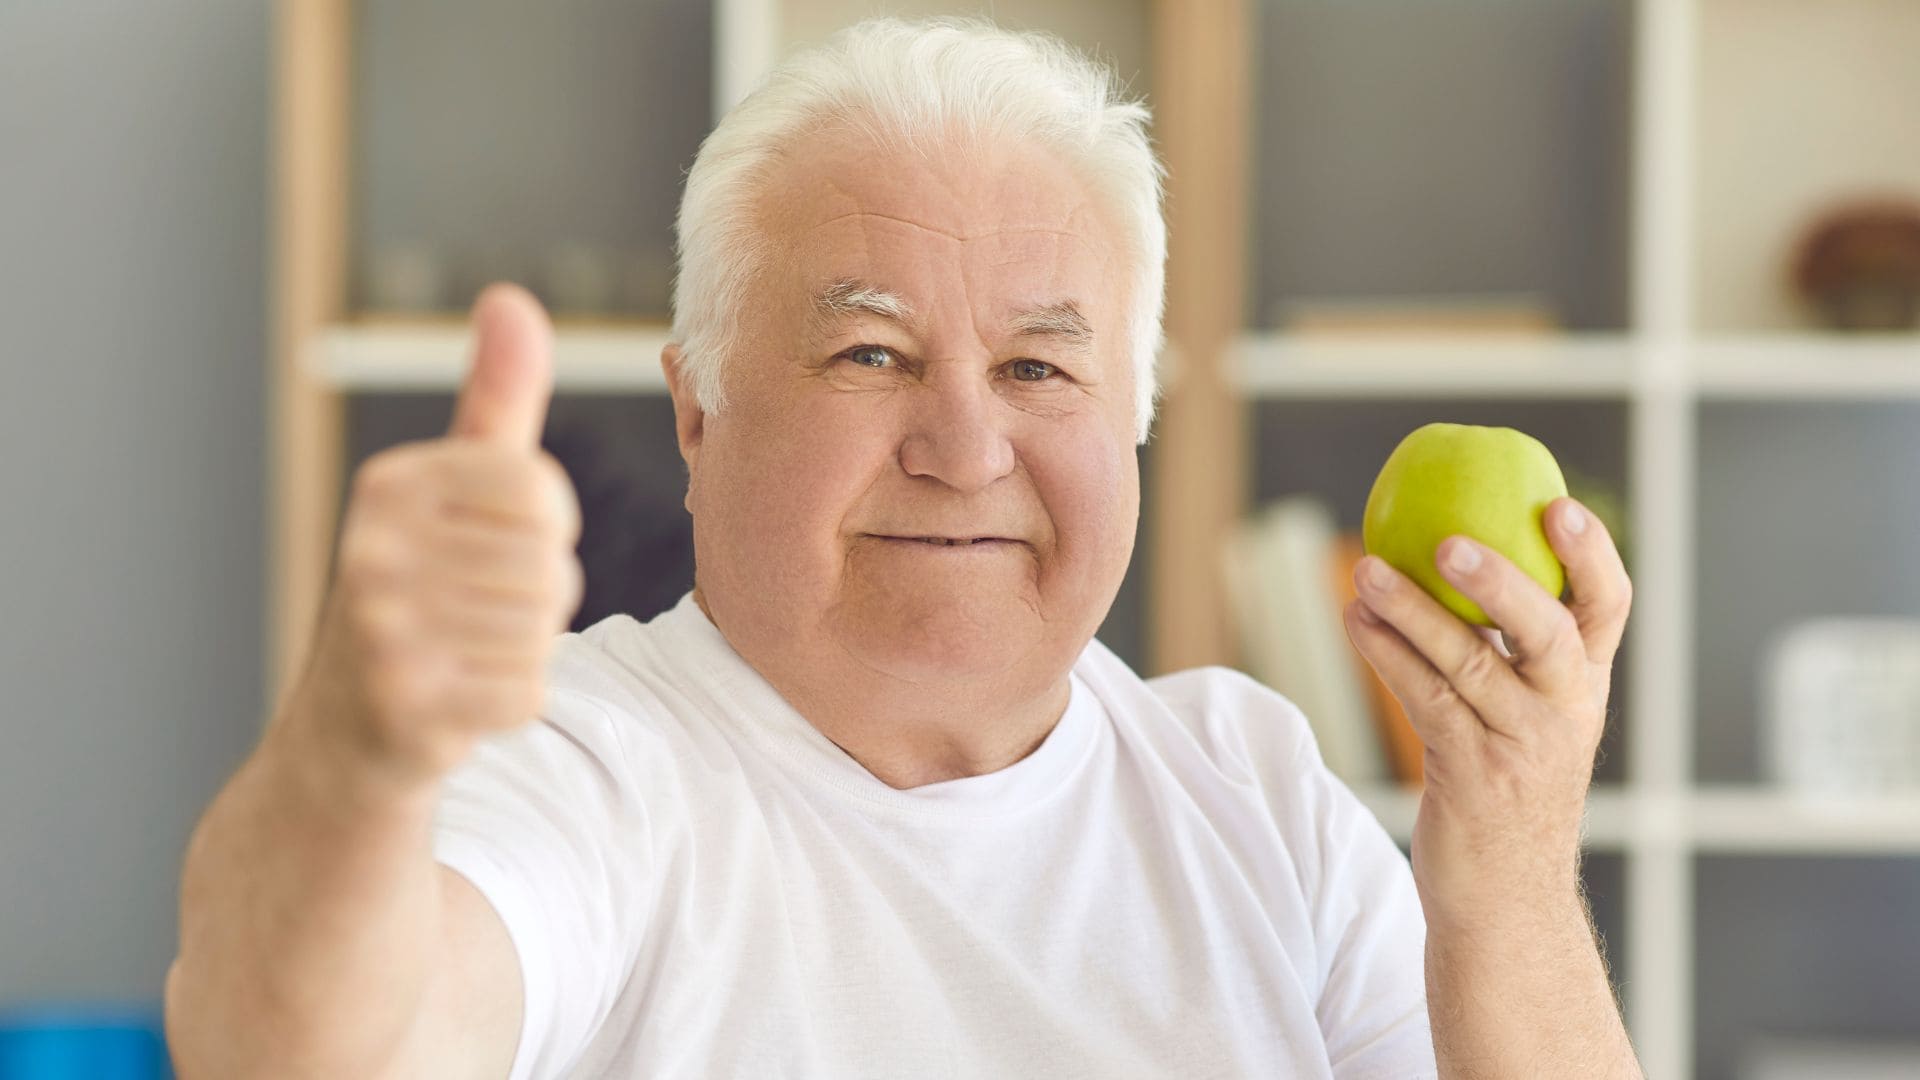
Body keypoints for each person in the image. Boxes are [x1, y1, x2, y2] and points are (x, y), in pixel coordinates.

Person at [166, 17, 1640, 1079]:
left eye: (1041, 370)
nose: (965, 446)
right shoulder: (582, 766)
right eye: (869, 355)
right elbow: (292, 1051)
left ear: (1133, 418)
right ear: (700, 412)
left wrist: (1509, 871)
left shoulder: (1251, 785)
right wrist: (355, 752)